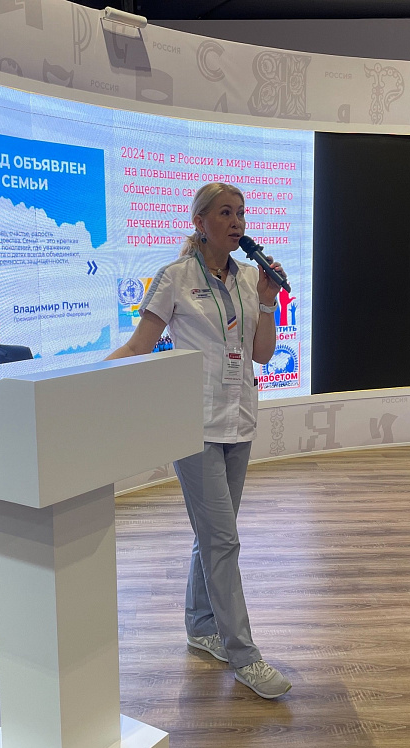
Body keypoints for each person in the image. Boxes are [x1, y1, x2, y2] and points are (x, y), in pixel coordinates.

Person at [106, 182, 290, 699]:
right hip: (195, 426)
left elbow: (262, 355)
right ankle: (245, 655)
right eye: (225, 213)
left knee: (213, 533)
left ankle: (201, 625)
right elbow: (139, 345)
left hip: (239, 420)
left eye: (241, 213)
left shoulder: (250, 277)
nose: (237, 222)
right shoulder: (176, 277)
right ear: (200, 222)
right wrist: (82, 379)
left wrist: (268, 302)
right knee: (222, 539)